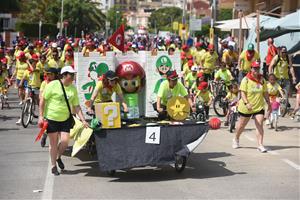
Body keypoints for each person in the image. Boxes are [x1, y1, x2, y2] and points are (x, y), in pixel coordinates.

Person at [39, 66, 89, 175]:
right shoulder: (53, 85)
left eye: (74, 75)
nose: (73, 77)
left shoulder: (73, 88)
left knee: (65, 142)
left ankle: (58, 157)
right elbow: (43, 100)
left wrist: (83, 120)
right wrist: (41, 116)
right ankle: (53, 166)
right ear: (64, 75)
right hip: (52, 118)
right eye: (71, 75)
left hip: (65, 118)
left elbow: (76, 106)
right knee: (53, 143)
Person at [232, 61, 271, 153]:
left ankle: (260, 145)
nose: (256, 70)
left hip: (259, 106)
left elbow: (265, 92)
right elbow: (243, 93)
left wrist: (268, 102)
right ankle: (236, 138)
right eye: (254, 68)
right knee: (242, 125)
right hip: (247, 106)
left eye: (257, 68)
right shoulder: (246, 79)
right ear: (251, 69)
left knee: (259, 124)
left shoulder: (262, 80)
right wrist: (246, 103)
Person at [39, 67, 59, 147]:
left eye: (50, 74)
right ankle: (44, 135)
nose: (48, 76)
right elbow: (41, 95)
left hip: (57, 107)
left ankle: (55, 144)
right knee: (47, 125)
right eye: (47, 74)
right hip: (46, 107)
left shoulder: (58, 83)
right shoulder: (44, 83)